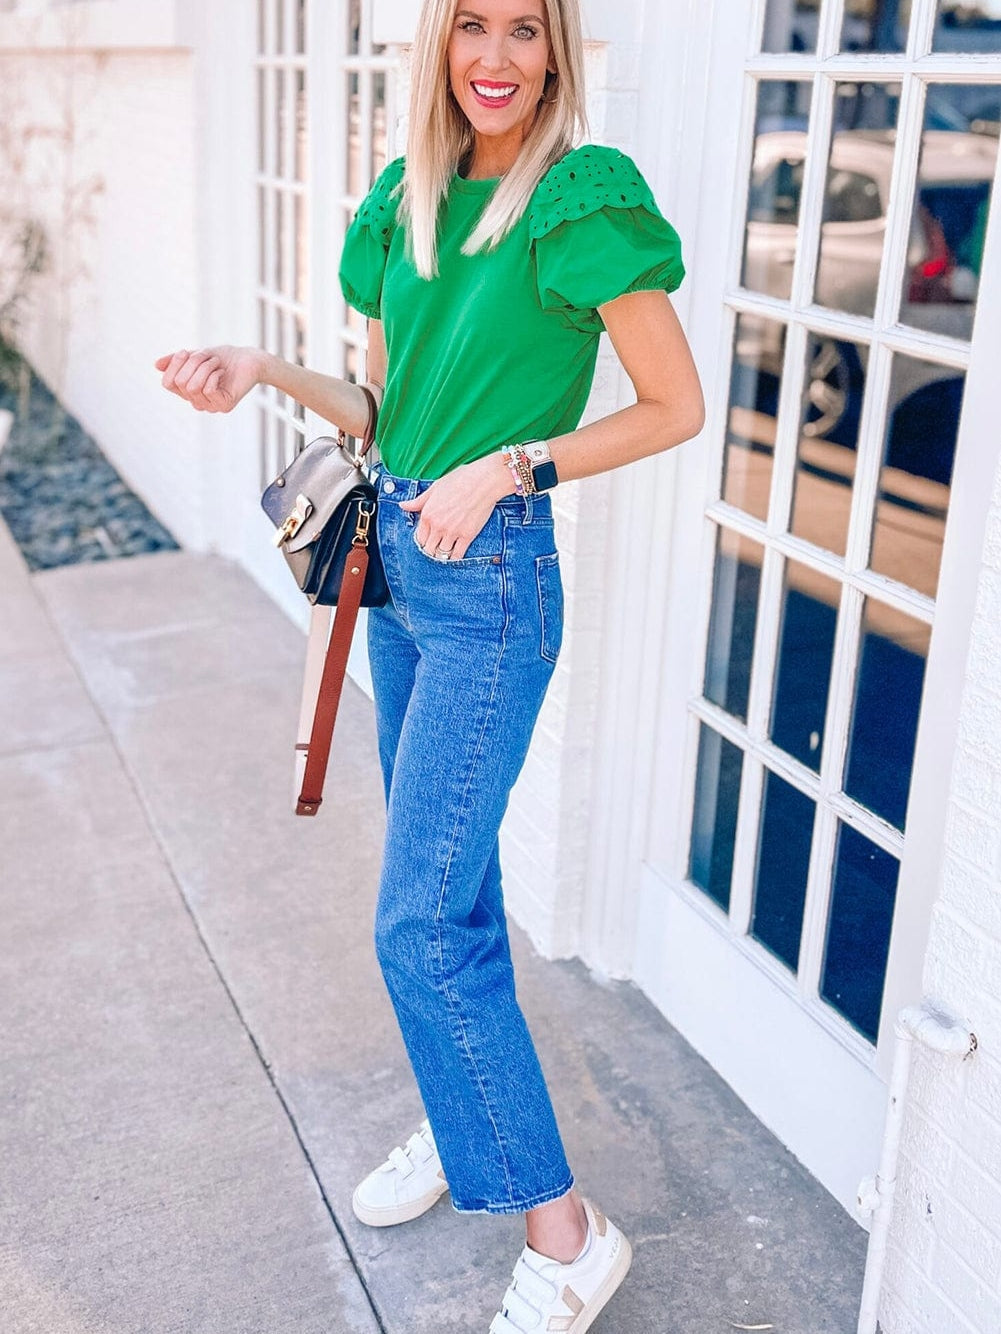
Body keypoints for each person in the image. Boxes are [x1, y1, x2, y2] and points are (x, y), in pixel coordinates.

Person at [156, 0, 704, 1327]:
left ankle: (564, 1235)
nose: (498, 57)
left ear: (557, 52)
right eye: (473, 25)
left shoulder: (577, 202)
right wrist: (261, 365)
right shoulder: (406, 197)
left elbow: (675, 406)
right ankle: (474, 1130)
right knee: (447, 899)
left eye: (526, 29)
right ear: (438, 45)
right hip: (397, 568)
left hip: (493, 585)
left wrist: (513, 462)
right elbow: (383, 412)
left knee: (413, 918)